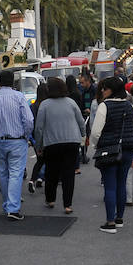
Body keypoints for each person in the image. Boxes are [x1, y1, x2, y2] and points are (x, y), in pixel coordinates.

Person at [0, 70, 34, 220]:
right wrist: (26, 135)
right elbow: (29, 120)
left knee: (3, 174)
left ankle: (7, 205)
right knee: (16, 173)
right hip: (17, 140)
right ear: (13, 82)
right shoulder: (19, 97)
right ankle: (13, 208)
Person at [90, 77, 133, 234]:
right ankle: (120, 219)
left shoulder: (104, 106)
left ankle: (110, 222)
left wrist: (95, 145)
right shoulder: (130, 106)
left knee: (110, 186)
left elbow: (96, 131)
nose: (103, 91)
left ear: (111, 90)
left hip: (109, 150)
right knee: (121, 183)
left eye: (105, 88)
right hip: (128, 149)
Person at [33, 77, 85, 214]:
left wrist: (38, 145)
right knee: (69, 173)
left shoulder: (44, 104)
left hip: (52, 143)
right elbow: (80, 121)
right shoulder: (71, 102)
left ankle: (50, 200)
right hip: (72, 141)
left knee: (52, 172)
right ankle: (67, 205)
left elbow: (39, 128)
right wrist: (83, 135)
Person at [28, 81, 49, 193]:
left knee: (40, 160)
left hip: (36, 137)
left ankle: (33, 180)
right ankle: (42, 178)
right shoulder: (47, 105)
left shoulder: (33, 106)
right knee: (48, 160)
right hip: (47, 136)